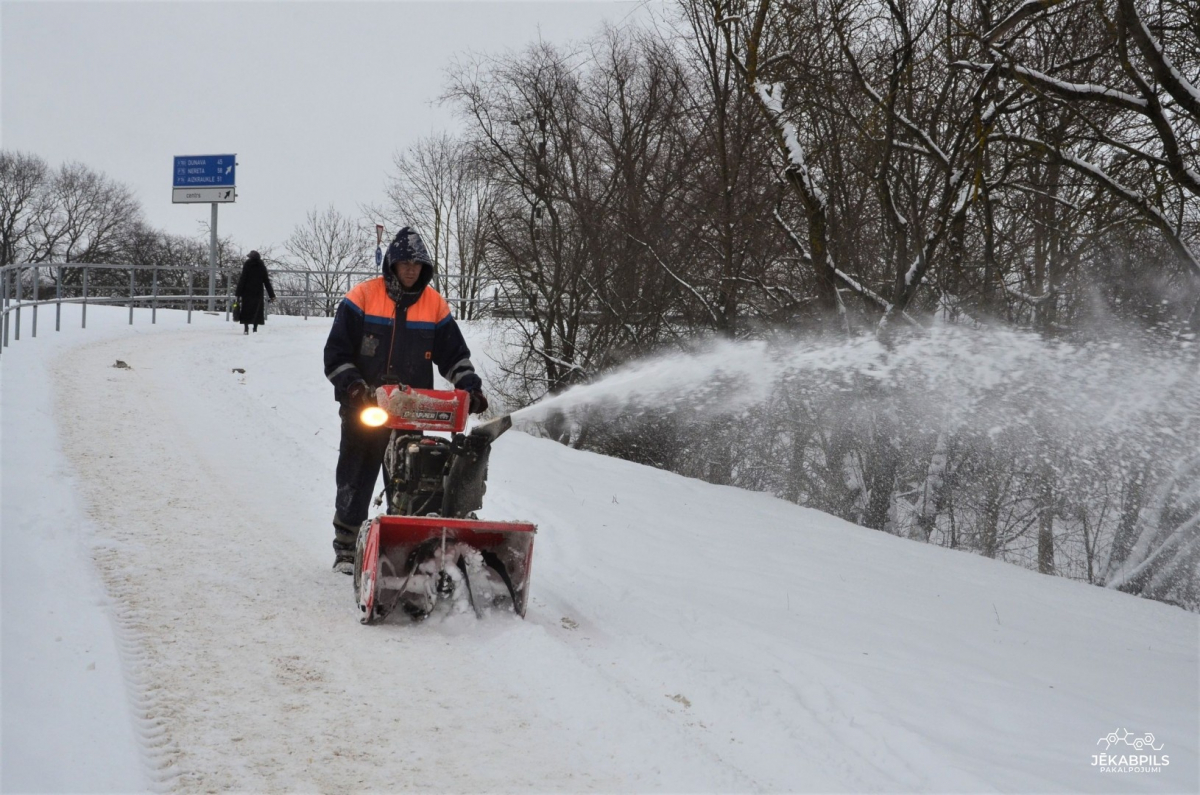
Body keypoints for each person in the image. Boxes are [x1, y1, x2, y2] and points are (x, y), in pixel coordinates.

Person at [322, 226, 488, 573]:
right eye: (404, 263)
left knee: (415, 474)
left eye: (417, 264)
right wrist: (355, 388)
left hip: (413, 410)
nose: (411, 270)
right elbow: (336, 356)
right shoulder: (362, 297)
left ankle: (406, 544)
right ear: (392, 265)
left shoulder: (434, 304)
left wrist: (470, 387)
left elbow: (454, 356)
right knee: (356, 474)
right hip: (365, 408)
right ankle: (347, 547)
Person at [235, 250, 275, 334]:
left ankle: (246, 328)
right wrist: (272, 295)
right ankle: (255, 328)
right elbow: (266, 281)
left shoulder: (247, 264)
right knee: (257, 310)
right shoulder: (261, 266)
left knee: (246, 310)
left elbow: (243, 279)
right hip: (258, 291)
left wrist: (238, 293)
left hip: (247, 291)